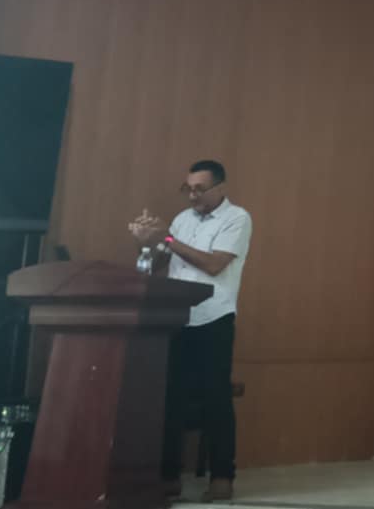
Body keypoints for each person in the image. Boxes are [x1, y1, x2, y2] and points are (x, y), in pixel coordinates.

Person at [128, 160, 252, 503]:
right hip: (177, 319)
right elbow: (155, 266)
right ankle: (168, 478)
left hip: (214, 318)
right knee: (171, 399)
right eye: (188, 189)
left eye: (200, 189)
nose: (193, 195)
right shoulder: (182, 220)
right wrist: (145, 243)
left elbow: (214, 264)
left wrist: (166, 238)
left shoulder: (237, 218)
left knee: (215, 399)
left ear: (220, 188)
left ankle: (223, 477)